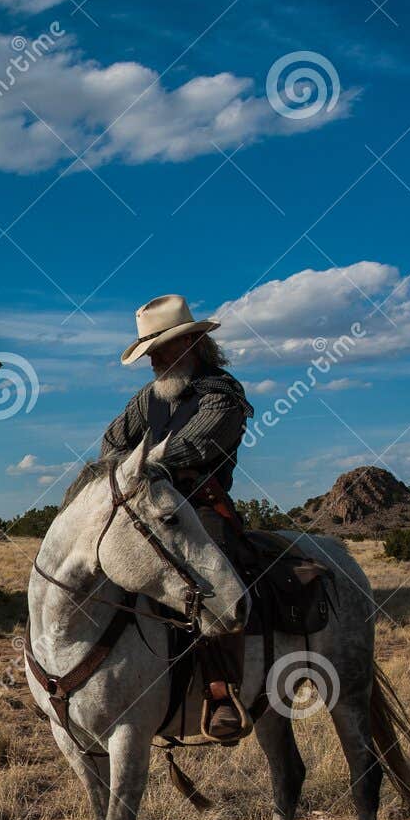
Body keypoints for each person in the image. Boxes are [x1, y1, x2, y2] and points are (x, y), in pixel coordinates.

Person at [103, 294, 254, 741]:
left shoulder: (222, 394)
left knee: (211, 572)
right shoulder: (147, 398)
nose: (153, 359)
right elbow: (111, 443)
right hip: (145, 504)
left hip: (200, 505)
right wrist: (126, 471)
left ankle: (221, 692)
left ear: (190, 344)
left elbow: (196, 446)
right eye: (149, 351)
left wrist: (138, 464)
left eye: (160, 349)